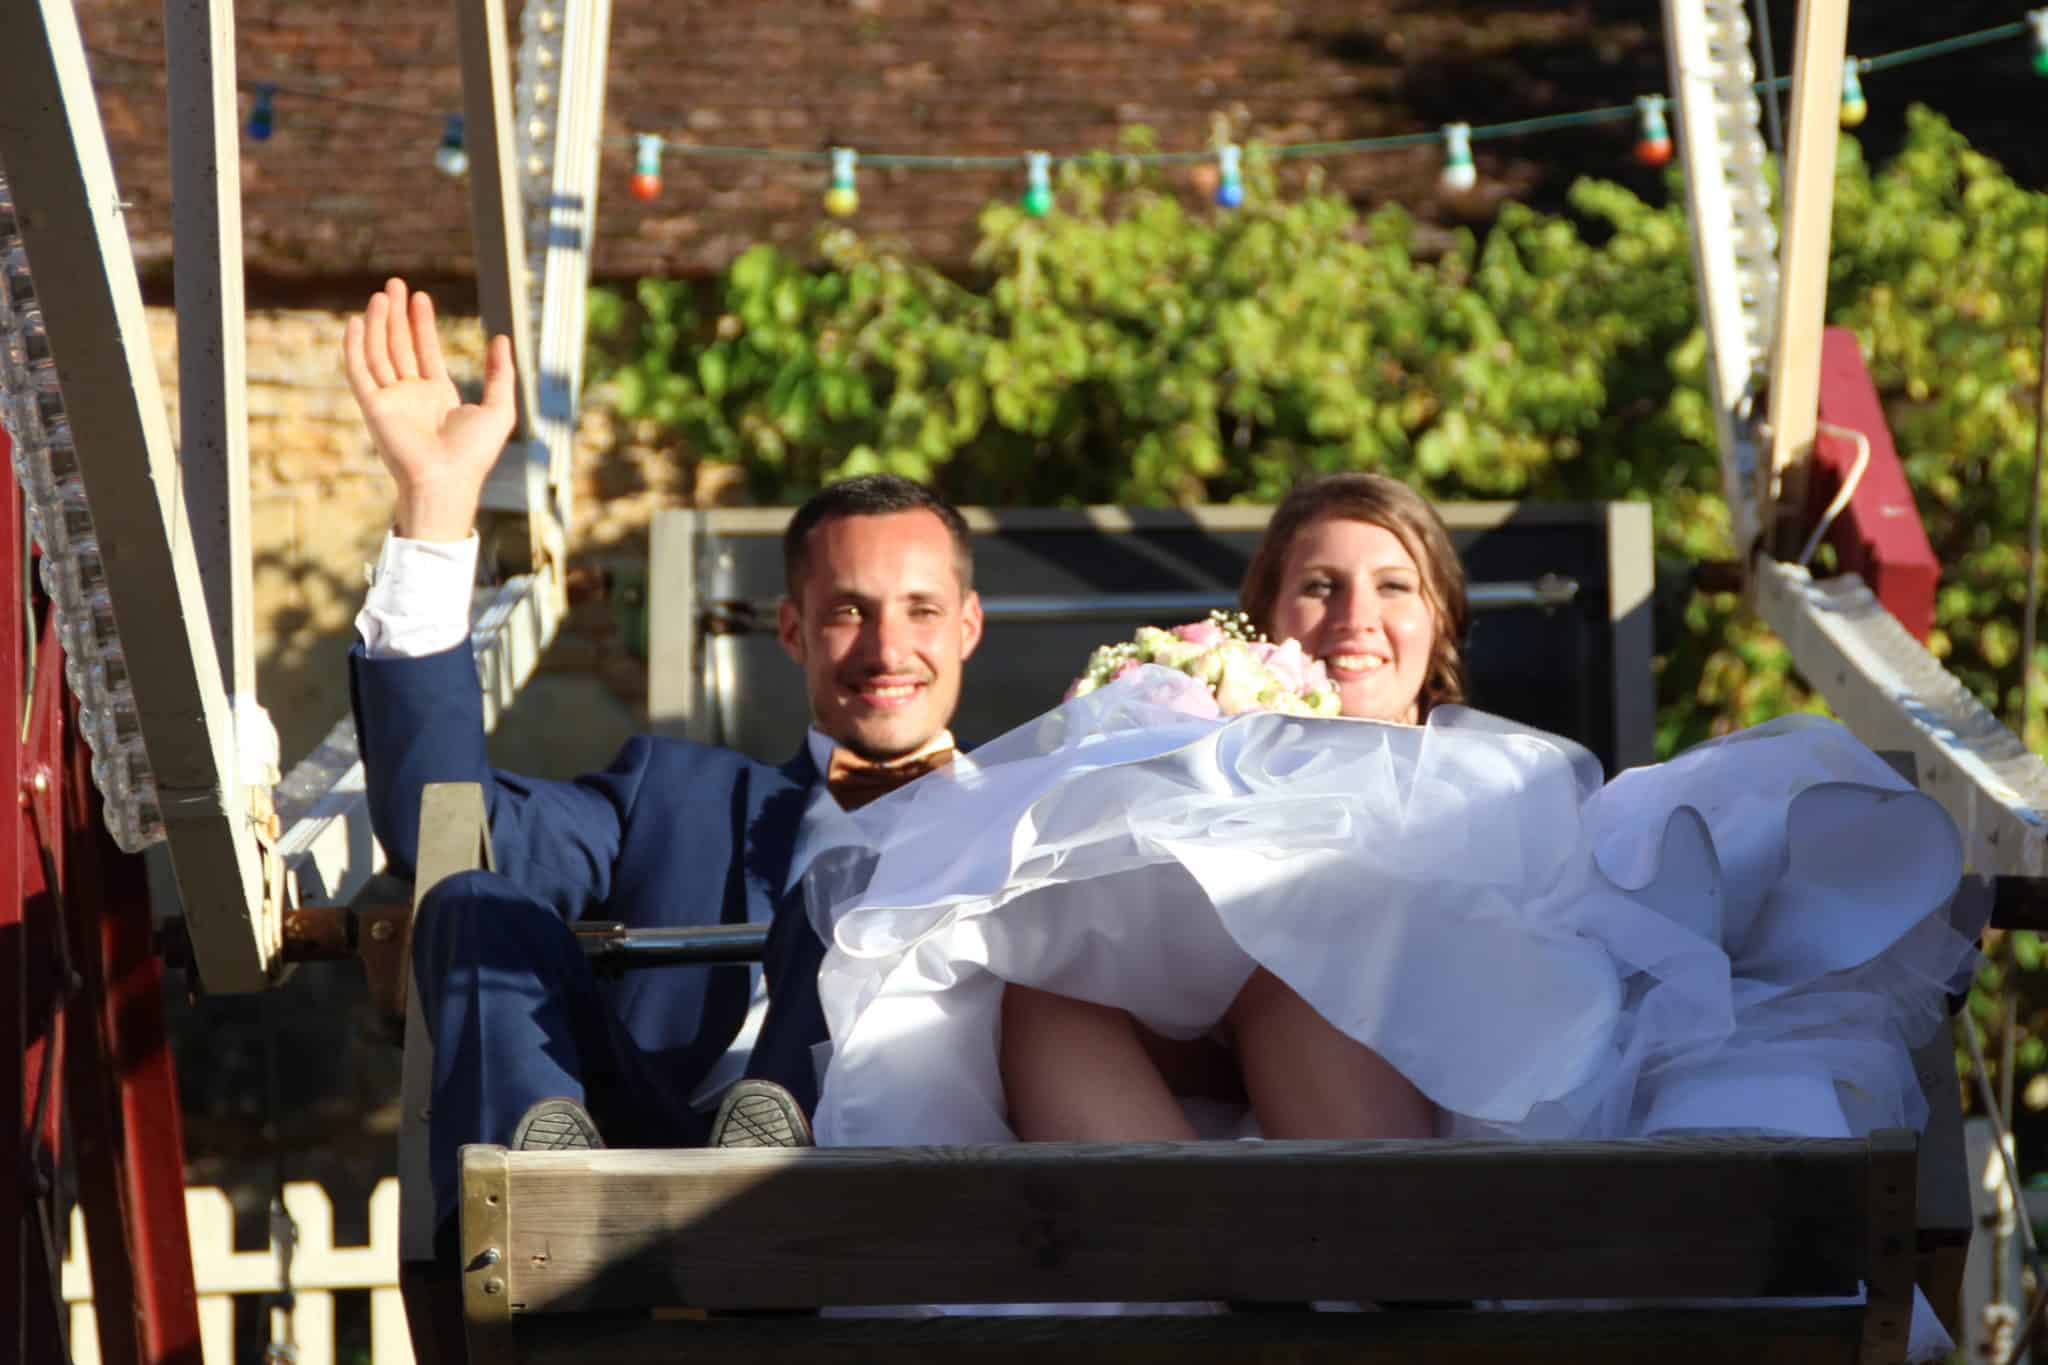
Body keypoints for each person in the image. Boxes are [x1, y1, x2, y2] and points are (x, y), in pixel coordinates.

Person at [795, 472, 1978, 1351]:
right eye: (1316, 586)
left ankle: (1392, 1294)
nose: (1353, 614)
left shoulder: (1506, 777)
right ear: (1259, 623)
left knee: (1304, 968)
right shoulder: (1185, 740)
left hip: (1396, 1043)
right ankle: (1199, 1282)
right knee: (1043, 988)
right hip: (1169, 1035)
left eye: (1391, 585)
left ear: (1439, 634)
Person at [340, 278, 983, 1241]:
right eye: (849, 610)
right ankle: (536, 1196)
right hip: (635, 1180)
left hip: (909, 1178)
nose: (887, 650)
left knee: (852, 879)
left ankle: (775, 1161)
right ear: (793, 631)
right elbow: (439, 822)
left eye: (920, 610)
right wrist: (435, 509)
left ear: (968, 625)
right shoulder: (676, 794)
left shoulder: (1035, 812)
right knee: (470, 898)